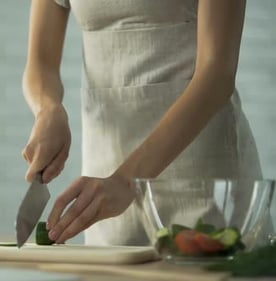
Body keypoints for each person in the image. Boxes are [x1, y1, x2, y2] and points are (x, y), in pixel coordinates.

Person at [21, 0, 263, 246]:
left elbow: (217, 74)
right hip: (105, 183)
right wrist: (47, 109)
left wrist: (126, 180)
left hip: (203, 178)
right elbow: (41, 64)